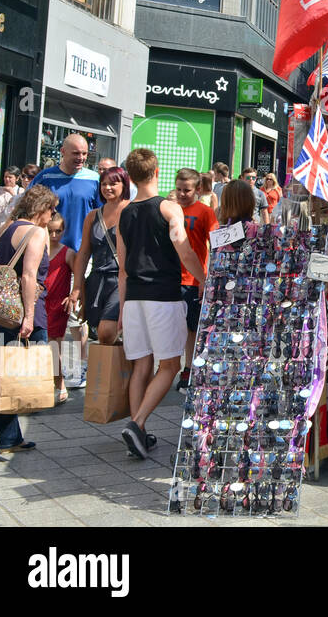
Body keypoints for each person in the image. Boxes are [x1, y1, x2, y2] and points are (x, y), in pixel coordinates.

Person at [115, 149, 206, 459]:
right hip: (164, 296)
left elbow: (122, 267)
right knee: (170, 365)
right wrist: (204, 279)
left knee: (142, 364)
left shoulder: (124, 212)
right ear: (156, 172)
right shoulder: (169, 208)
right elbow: (185, 251)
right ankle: (137, 423)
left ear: (129, 175)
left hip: (134, 299)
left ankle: (138, 432)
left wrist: (122, 309)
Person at [0, 185, 57, 460]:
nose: (53, 215)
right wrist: (29, 317)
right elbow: (28, 277)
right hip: (24, 313)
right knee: (29, 375)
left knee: (12, 373)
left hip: (3, 310)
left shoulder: (9, 229)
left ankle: (11, 438)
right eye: (51, 209)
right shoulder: (35, 233)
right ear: (41, 209)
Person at [70, 166, 130, 346]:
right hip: (97, 280)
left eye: (113, 183)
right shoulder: (93, 216)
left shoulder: (132, 210)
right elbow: (83, 253)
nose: (107, 188)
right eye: (103, 184)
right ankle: (114, 371)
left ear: (124, 184)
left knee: (106, 331)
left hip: (122, 280)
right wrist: (77, 287)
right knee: (99, 333)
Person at [172, 169, 216, 392]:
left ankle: (187, 369)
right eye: (178, 189)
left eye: (186, 190)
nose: (181, 194)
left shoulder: (205, 212)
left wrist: (203, 279)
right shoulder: (169, 209)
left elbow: (215, 243)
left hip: (192, 279)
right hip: (169, 277)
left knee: (190, 329)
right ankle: (167, 369)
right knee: (170, 329)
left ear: (198, 189)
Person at [29, 134, 101, 252]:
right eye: (76, 153)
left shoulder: (94, 179)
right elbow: (28, 210)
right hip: (49, 250)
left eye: (84, 153)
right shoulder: (45, 177)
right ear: (63, 151)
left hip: (83, 252)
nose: (81, 158)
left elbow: (102, 215)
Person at [42, 213, 76, 402]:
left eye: (58, 231)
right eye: (50, 231)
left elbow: (78, 277)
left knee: (54, 346)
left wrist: (74, 296)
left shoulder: (68, 252)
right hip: (40, 303)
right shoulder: (40, 249)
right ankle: (48, 383)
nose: (54, 235)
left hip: (58, 304)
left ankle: (59, 383)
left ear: (64, 231)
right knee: (43, 345)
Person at [0, 167, 24, 249]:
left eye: (10, 177)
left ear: (17, 178)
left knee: (0, 255)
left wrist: (12, 192)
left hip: (7, 229)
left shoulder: (20, 191)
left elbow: (20, 206)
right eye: (5, 177)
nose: (7, 179)